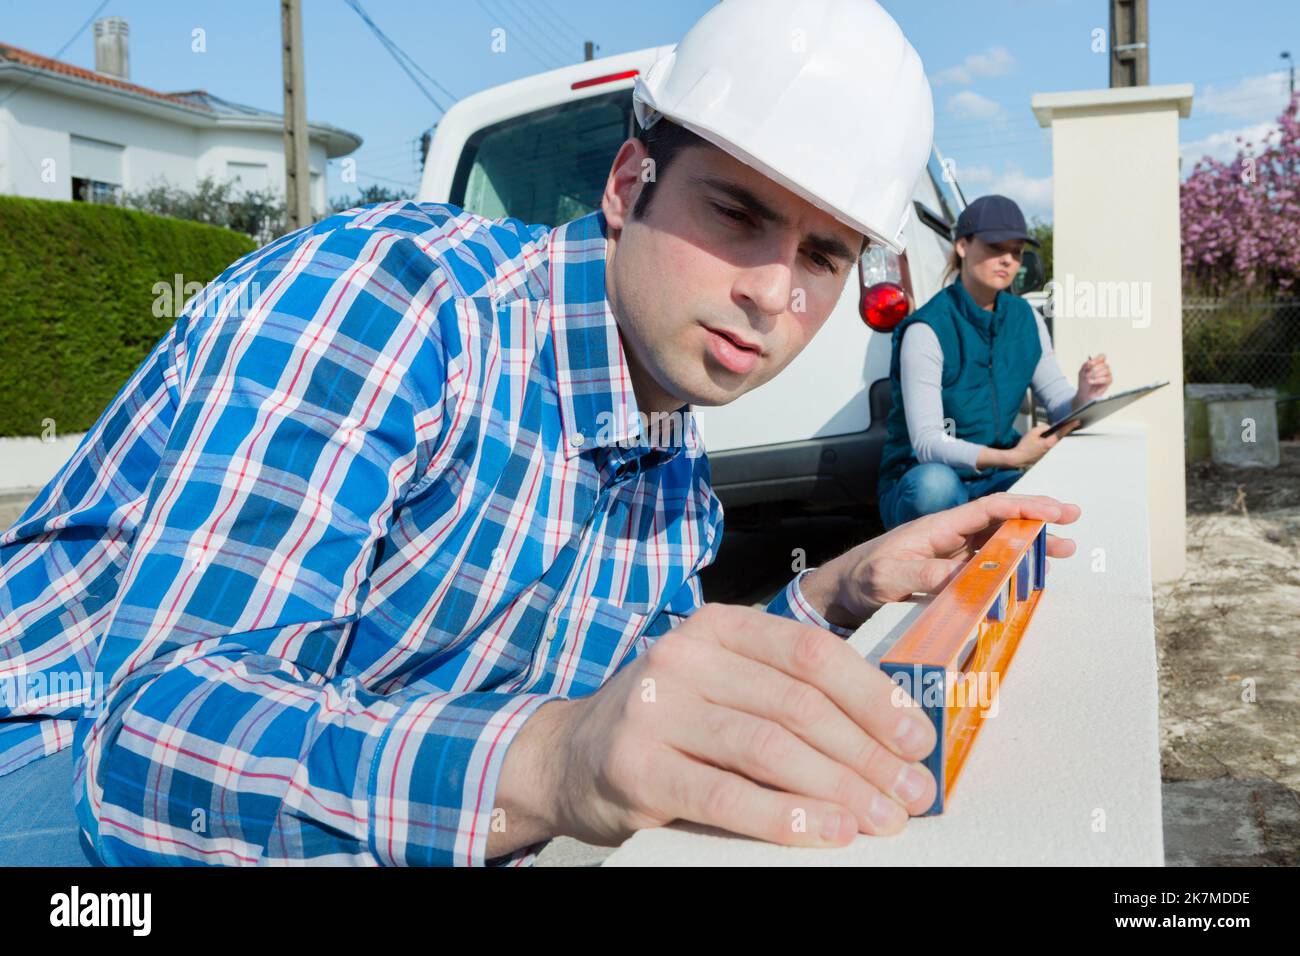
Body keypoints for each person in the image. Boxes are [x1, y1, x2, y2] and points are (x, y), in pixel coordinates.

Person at [0, 0, 1081, 867]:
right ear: (627, 186)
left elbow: (642, 686)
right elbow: (152, 752)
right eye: (737, 215)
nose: (769, 292)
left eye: (821, 256)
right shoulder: (391, 302)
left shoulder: (667, 453)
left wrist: (836, 592)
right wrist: (556, 762)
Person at [876, 194, 1112, 530]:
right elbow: (927, 443)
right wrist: (1013, 458)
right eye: (994, 247)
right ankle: (926, 575)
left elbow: (1059, 403)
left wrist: (1085, 395)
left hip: (993, 478)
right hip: (923, 479)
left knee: (1048, 499)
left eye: (1016, 252)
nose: (1007, 260)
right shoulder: (927, 328)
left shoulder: (1025, 318)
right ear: (962, 246)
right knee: (934, 487)